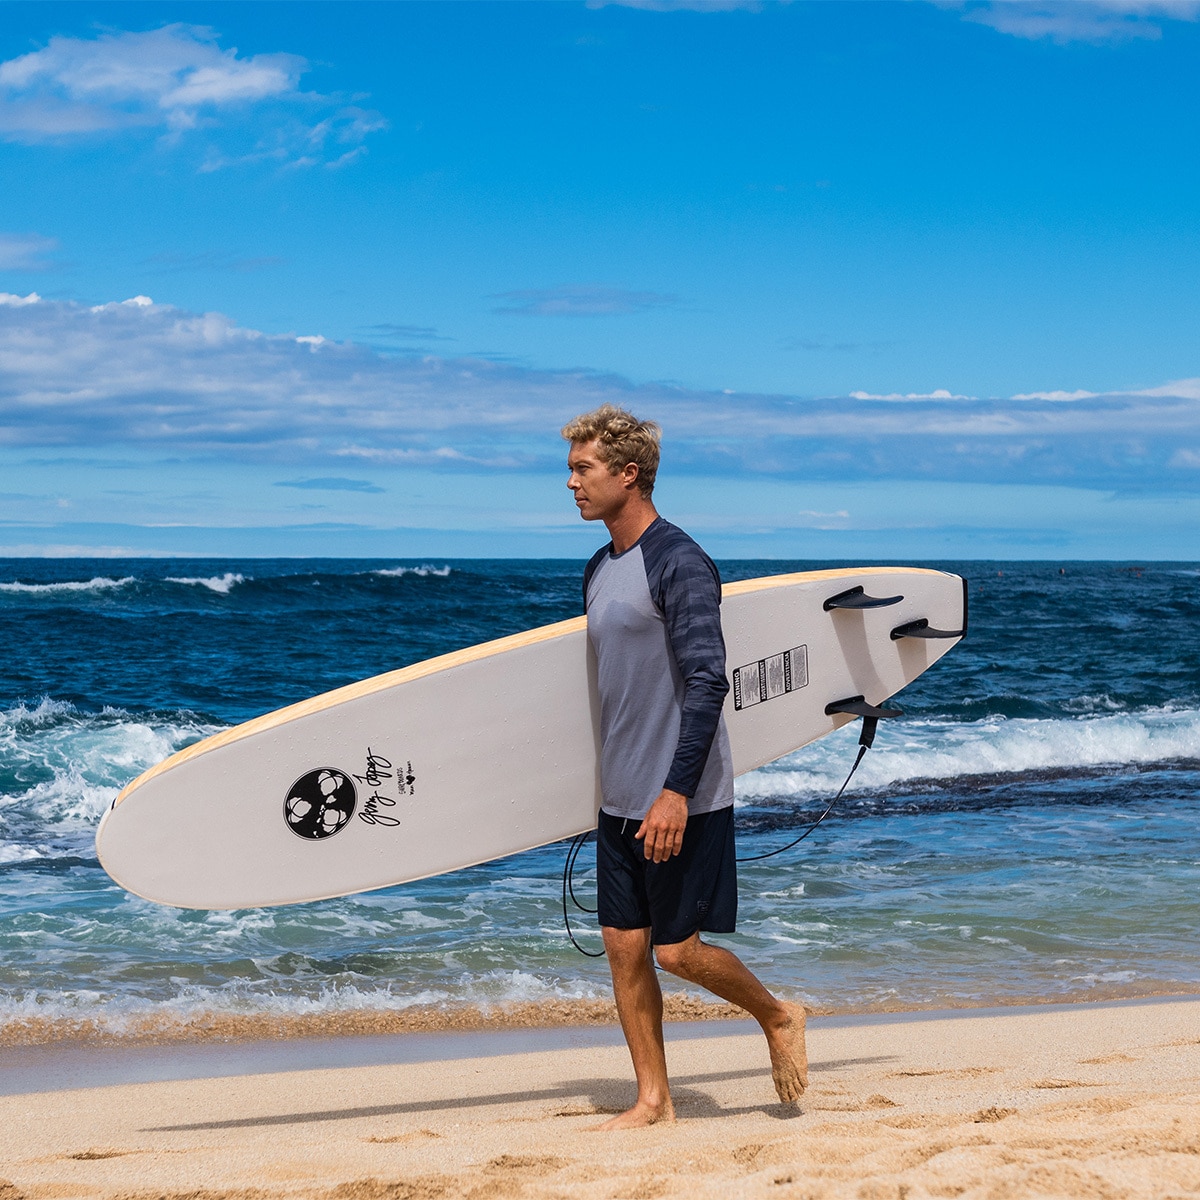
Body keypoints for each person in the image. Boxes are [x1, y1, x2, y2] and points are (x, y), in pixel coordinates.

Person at [562, 403, 807, 1130]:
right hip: (620, 798)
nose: (571, 482)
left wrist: (674, 792)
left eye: (584, 468)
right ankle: (653, 1099)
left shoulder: (680, 561)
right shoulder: (600, 567)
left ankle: (778, 1014)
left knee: (677, 952)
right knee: (622, 946)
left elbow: (707, 681)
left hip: (682, 799)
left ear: (628, 474)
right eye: (571, 468)